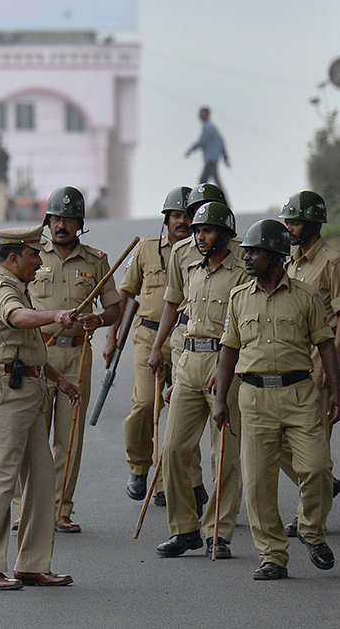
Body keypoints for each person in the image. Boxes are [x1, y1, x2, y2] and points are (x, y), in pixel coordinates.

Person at [213, 219, 340, 580]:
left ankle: (311, 531)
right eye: (247, 251)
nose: (247, 257)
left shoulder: (306, 296)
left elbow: (326, 346)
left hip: (301, 396)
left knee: (317, 468)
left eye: (254, 252)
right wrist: (221, 400)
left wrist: (337, 392)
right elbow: (228, 352)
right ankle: (272, 555)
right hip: (253, 399)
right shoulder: (239, 299)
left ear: (275, 255)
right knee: (257, 483)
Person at [0, 224, 81, 591]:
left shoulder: (19, 287)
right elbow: (16, 319)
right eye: (34, 256)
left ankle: (32, 564)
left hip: (27, 386)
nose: (39, 262)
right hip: (3, 391)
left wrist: (58, 379)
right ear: (13, 258)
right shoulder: (0, 288)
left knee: (42, 477)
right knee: (2, 476)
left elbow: (26, 346)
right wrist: (55, 315)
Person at [148, 201, 246, 560]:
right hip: (188, 359)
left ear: (224, 233)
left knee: (225, 456)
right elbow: (174, 310)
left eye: (206, 231)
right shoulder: (191, 266)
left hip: (224, 362)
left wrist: (230, 367)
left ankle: (217, 533)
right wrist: (163, 351)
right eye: (196, 231)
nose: (199, 237)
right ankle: (184, 530)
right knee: (174, 449)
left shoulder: (242, 269)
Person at [23, 187, 120, 532]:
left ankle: (61, 509)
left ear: (80, 224)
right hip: (39, 352)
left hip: (78, 354)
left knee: (69, 436)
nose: (61, 225)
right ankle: (28, 510)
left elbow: (114, 308)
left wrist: (102, 320)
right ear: (48, 222)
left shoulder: (96, 260)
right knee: (34, 434)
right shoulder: (30, 255)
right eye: (56, 218)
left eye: (68, 219)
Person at [107, 187, 204, 507]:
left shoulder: (203, 251)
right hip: (148, 336)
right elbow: (125, 295)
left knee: (180, 411)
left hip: (188, 340)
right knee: (146, 404)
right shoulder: (147, 250)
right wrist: (112, 336)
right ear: (166, 220)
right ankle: (139, 466)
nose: (182, 221)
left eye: (188, 215)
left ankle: (168, 482)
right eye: (176, 215)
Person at [279, 191, 340, 537]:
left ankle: (311, 518)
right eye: (288, 222)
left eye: (294, 222)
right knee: (280, 441)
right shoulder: (291, 262)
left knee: (315, 444)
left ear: (311, 224)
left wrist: (331, 365)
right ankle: (324, 486)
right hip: (289, 366)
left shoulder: (333, 261)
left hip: (317, 364)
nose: (289, 228)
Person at [185, 107, 230, 191]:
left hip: (211, 159)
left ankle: (223, 200)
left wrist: (191, 150)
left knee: (211, 181)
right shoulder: (211, 127)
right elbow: (221, 142)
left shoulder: (209, 127)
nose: (199, 116)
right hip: (212, 158)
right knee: (203, 181)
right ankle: (202, 198)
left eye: (201, 113)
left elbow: (202, 141)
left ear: (206, 114)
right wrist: (225, 157)